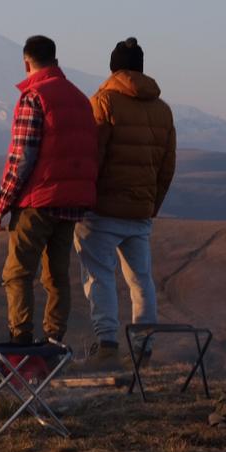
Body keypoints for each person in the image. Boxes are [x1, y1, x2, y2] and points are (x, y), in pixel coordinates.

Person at [75, 38, 176, 367]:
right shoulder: (163, 110)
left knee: (99, 275)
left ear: (113, 67)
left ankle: (107, 346)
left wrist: (85, 197)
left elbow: (93, 156)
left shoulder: (103, 102)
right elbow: (167, 166)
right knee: (141, 279)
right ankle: (143, 350)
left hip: (102, 210)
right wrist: (152, 205)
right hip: (140, 211)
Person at [0, 35, 98, 345]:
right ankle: (55, 341)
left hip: (37, 201)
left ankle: (21, 340)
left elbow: (21, 156)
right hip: (71, 204)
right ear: (56, 60)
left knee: (17, 272)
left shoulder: (34, 96)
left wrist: (2, 206)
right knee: (56, 275)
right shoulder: (80, 99)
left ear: (27, 63)